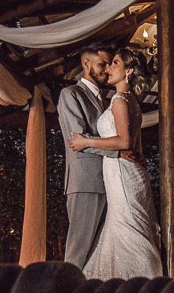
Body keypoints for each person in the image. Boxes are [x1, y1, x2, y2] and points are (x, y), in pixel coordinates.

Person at [68, 47, 162, 280]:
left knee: (128, 227)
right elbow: (134, 145)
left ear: (129, 71)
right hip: (127, 169)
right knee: (125, 225)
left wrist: (86, 141)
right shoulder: (130, 101)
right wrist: (134, 156)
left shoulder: (120, 100)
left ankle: (143, 280)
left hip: (121, 172)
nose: (109, 68)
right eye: (108, 64)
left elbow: (125, 140)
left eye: (115, 63)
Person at [56, 44, 117, 269]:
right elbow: (77, 140)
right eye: (103, 64)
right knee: (78, 252)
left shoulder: (107, 99)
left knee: (98, 253)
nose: (107, 70)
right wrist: (119, 150)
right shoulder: (70, 94)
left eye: (110, 65)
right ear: (86, 63)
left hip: (109, 181)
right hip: (85, 183)